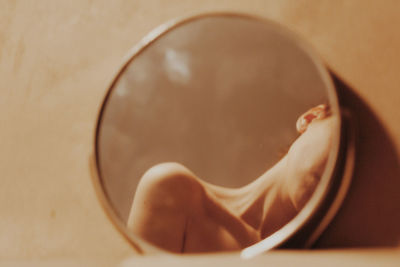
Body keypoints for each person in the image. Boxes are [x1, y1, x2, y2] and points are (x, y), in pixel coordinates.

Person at [127, 104, 335, 253]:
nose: (339, 171)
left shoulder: (324, 256)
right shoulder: (175, 194)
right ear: (311, 118)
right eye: (344, 146)